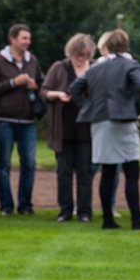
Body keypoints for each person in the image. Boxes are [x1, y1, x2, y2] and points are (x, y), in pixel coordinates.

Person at [69, 30, 140, 232]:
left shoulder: (96, 68)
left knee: (108, 171)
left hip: (100, 121)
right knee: (131, 172)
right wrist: (135, 108)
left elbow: (75, 88)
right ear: (126, 45)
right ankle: (137, 218)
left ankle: (107, 219)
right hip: (123, 120)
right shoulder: (130, 65)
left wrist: (87, 107)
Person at [0, 24, 44, 216]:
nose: (28, 42)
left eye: (28, 38)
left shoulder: (32, 60)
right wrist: (13, 83)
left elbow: (42, 82)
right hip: (3, 119)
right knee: (4, 164)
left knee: (29, 163)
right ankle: (6, 206)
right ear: (13, 39)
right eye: (24, 38)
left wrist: (35, 85)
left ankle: (25, 205)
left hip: (27, 121)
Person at [41, 33, 97, 223]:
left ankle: (84, 212)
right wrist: (57, 94)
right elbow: (43, 91)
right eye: (77, 54)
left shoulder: (96, 67)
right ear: (71, 52)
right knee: (64, 173)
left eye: (84, 54)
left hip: (87, 130)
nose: (81, 58)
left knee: (85, 173)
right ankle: (65, 210)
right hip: (63, 128)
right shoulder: (59, 67)